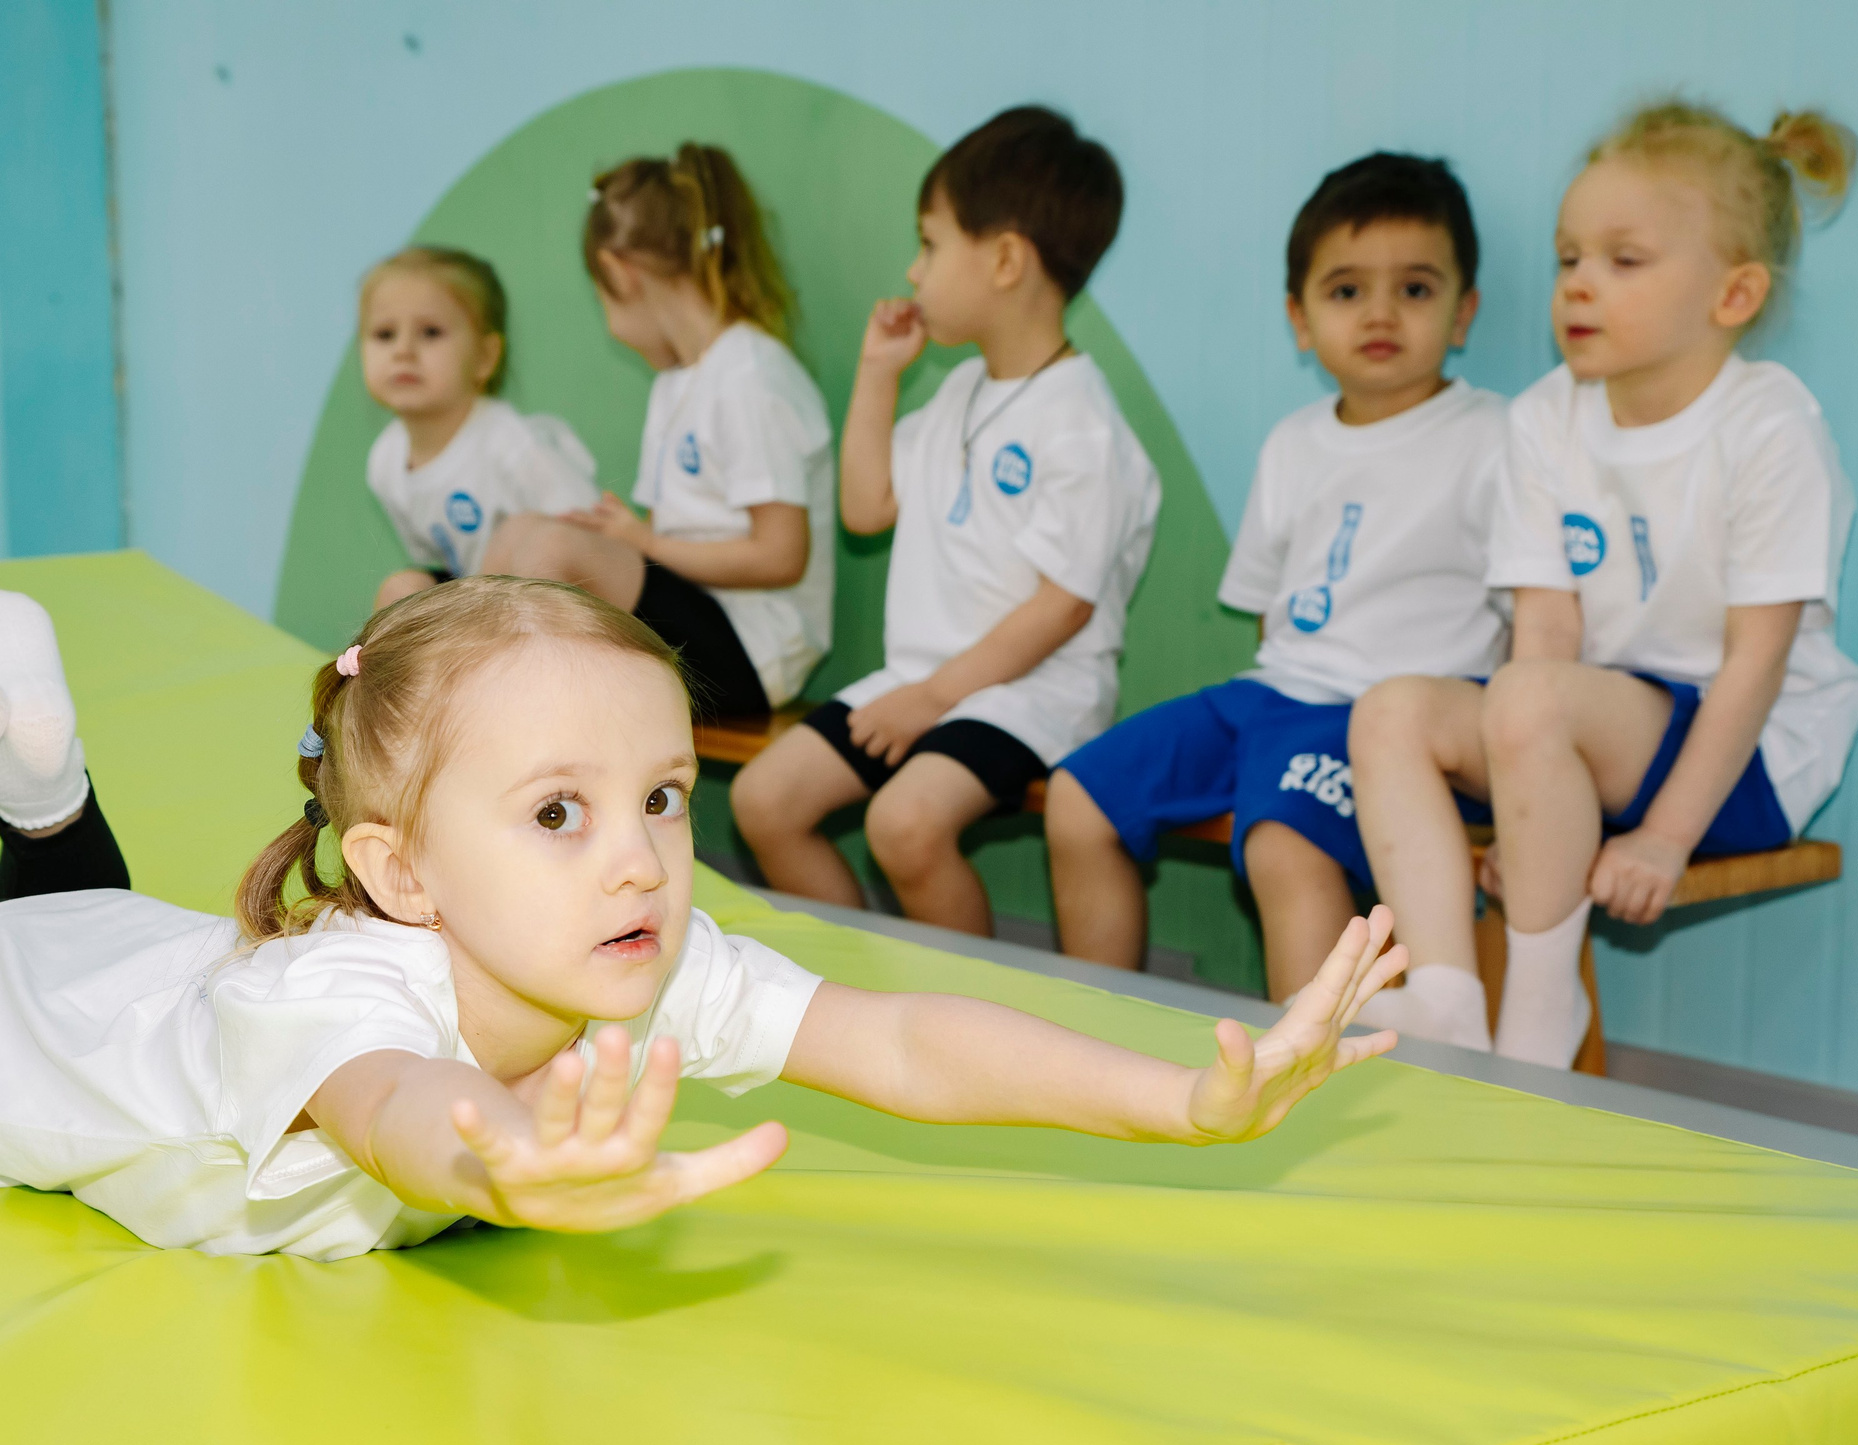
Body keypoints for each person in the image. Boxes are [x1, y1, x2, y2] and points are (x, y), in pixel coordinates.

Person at [0, 574, 1408, 1263]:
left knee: (87, 919)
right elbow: (397, 1109)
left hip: (127, 954)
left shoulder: (635, 944)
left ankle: (39, 752)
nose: (640, 859)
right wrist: (506, 1161)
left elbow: (903, 1032)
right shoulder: (349, 998)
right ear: (401, 869)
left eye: (664, 801)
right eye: (559, 813)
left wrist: (1187, 1093)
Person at [1351, 101, 1858, 1066]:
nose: (1580, 286)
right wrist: (1520, 803)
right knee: (1391, 712)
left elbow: (1757, 663)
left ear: (1734, 295)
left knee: (1535, 699)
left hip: (1745, 751)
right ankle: (1447, 1000)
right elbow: (1543, 633)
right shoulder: (1548, 418)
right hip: (1591, 724)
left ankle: (1542, 1020)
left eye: (1623, 262)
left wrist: (1667, 838)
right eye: (1568, 258)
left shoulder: (1769, 428)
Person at [1047, 154, 1506, 1000]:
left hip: (1384, 720)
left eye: (1414, 289)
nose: (1379, 313)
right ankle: (1099, 1038)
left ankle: (1308, 1088)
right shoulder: (1293, 441)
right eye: (1344, 292)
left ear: (1463, 310)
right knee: (1078, 796)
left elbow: (1533, 626)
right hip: (1271, 694)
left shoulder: (1497, 439)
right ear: (1300, 320)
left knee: (1283, 846)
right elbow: (1269, 615)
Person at [733, 106, 1158, 937]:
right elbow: (865, 509)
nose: (913, 268)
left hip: (1033, 695)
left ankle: (962, 1020)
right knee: (765, 798)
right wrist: (878, 376)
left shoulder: (1081, 420)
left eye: (929, 244)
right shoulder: (958, 389)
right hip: (923, 681)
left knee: (905, 824)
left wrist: (931, 698)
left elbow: (1062, 606)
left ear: (1004, 260)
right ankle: (858, 990)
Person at [488, 143, 833, 722]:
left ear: (622, 272)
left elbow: (782, 556)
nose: (608, 320)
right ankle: (477, 702)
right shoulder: (677, 380)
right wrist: (627, 535)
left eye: (602, 297)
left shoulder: (750, 375)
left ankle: (503, 723)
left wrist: (644, 544)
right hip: (703, 613)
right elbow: (687, 533)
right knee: (524, 529)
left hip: (756, 650)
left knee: (552, 548)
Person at [359, 247, 599, 611]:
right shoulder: (385, 460)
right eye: (384, 334)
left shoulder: (516, 446)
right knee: (401, 590)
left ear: (485, 357)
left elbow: (588, 542)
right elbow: (439, 564)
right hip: (484, 607)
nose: (403, 350)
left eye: (430, 332)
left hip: (562, 614)